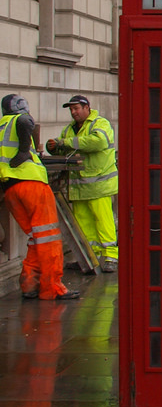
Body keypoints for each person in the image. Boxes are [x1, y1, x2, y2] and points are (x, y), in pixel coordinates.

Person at [0, 94, 79, 301]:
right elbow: (27, 121)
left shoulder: (2, 125)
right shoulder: (20, 119)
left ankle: (29, 284)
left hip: (10, 189)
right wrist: (25, 151)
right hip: (31, 185)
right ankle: (53, 288)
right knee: (49, 238)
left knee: (36, 238)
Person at [46, 94, 119, 273]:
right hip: (79, 187)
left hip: (99, 184)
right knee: (83, 224)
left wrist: (66, 143)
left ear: (87, 108)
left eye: (76, 108)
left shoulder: (100, 123)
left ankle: (111, 256)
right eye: (71, 109)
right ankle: (89, 257)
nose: (73, 112)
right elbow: (63, 145)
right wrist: (53, 146)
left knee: (103, 221)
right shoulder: (69, 129)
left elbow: (98, 141)